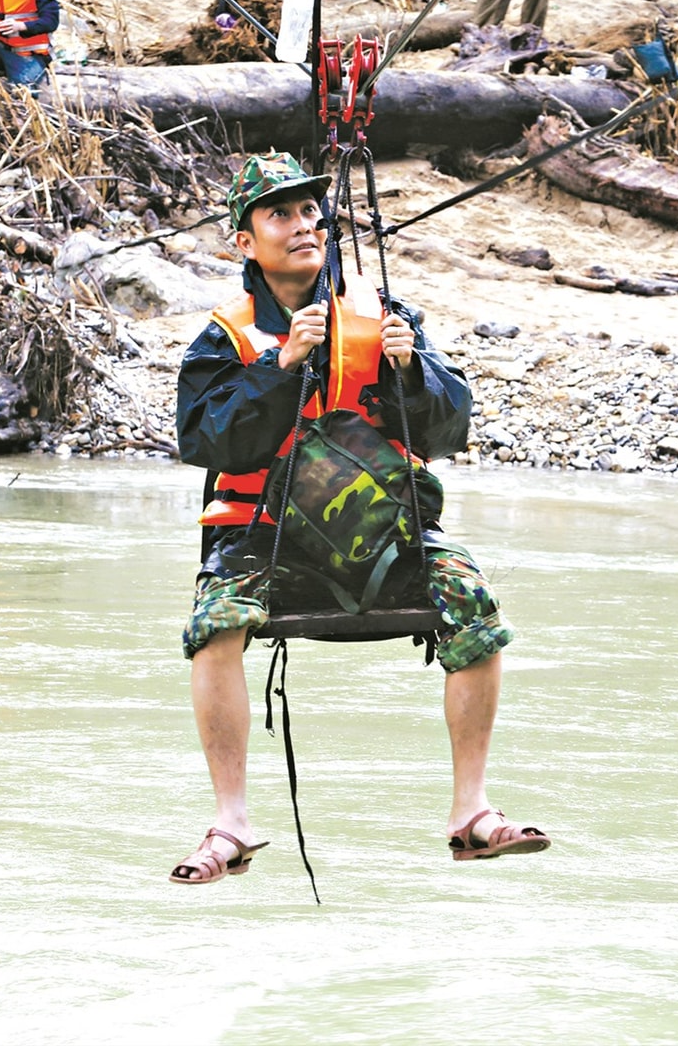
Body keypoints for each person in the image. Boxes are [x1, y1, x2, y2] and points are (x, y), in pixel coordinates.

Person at [170, 152, 548, 885]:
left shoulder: (384, 316)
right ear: (245, 242)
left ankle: (471, 812)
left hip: (380, 537)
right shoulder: (229, 336)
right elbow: (204, 441)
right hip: (264, 537)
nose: (304, 225)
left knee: (472, 600)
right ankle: (232, 824)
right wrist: (279, 370)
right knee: (214, 621)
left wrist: (415, 374)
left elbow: (448, 430)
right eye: (280, 214)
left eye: (311, 211)